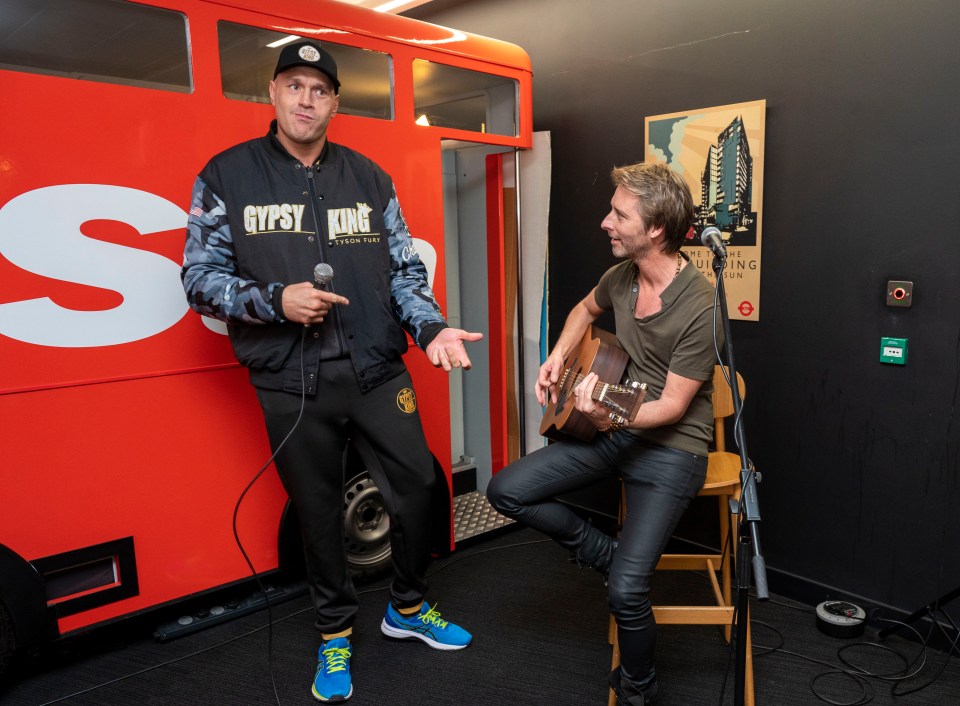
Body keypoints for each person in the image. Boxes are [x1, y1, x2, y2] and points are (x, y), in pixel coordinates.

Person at [182, 40, 481, 703]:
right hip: (292, 381)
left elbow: (405, 270)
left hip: (376, 370)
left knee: (418, 489)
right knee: (318, 517)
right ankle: (335, 633)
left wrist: (429, 329)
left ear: (335, 102)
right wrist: (273, 302)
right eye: (294, 86)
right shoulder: (227, 176)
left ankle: (406, 605)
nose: (306, 100)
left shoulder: (370, 179)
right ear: (273, 93)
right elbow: (197, 280)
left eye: (319, 90)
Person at [487, 162, 720, 705]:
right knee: (505, 490)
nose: (604, 222)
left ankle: (639, 687)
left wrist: (608, 411)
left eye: (619, 214)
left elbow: (670, 408)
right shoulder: (620, 278)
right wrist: (558, 355)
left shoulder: (701, 304)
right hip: (617, 433)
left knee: (628, 590)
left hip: (671, 453)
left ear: (655, 229)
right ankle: (600, 550)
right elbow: (581, 310)